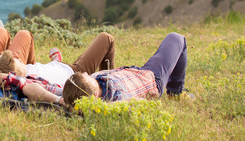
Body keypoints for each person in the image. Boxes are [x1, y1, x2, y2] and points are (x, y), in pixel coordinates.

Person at [0, 32, 116, 106]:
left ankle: (56, 60)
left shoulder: (27, 69)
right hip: (76, 73)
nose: (19, 59)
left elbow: (8, 70)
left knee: (47, 61)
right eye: (17, 61)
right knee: (106, 38)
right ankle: (110, 79)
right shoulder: (28, 80)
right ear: (14, 72)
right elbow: (10, 79)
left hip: (60, 67)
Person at [63, 32, 193, 107]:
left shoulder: (83, 91)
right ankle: (175, 93)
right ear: (96, 96)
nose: (86, 73)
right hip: (152, 79)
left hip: (136, 72)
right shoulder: (118, 100)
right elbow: (139, 103)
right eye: (86, 77)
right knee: (176, 39)